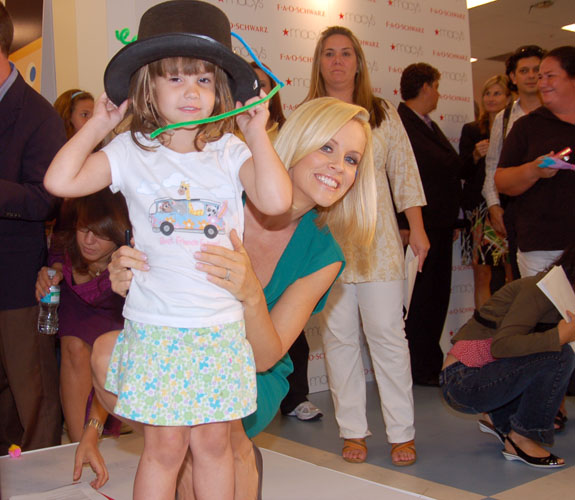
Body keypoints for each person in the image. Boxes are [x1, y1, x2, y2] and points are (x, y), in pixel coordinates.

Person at [44, 1, 293, 498]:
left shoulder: (230, 151)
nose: (191, 91)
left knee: (214, 447)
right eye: (175, 78)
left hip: (219, 330)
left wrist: (256, 134)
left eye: (203, 80)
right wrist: (99, 124)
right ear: (147, 87)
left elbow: (276, 200)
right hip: (156, 329)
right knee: (163, 451)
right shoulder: (132, 152)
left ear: (220, 89)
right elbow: (60, 179)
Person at [74, 96, 377, 499]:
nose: (339, 167)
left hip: (251, 370)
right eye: (327, 147)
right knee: (107, 353)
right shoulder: (229, 183)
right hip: (177, 349)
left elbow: (267, 357)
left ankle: (225, 460)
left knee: (216, 428)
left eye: (352, 159)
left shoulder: (324, 254)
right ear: (299, 140)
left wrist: (251, 292)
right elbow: (143, 334)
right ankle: (185, 460)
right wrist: (129, 270)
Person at [305, 26, 428, 466]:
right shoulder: (310, 114)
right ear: (319, 63)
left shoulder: (382, 113)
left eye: (345, 53)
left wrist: (418, 228)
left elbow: (404, 171)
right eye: (328, 54)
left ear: (358, 61)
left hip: (379, 244)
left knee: (389, 338)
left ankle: (402, 433)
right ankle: (353, 430)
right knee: (338, 339)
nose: (337, 61)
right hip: (325, 243)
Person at [440, 244, 575, 468]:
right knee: (561, 353)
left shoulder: (559, 294)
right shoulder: (540, 290)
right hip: (461, 381)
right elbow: (501, 347)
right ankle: (520, 437)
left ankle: (500, 417)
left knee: (557, 351)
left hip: (483, 378)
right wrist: (558, 336)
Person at [0, 3, 65, 455]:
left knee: (32, 395)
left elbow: (46, 198)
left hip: (18, 283)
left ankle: (44, 483)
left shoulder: (38, 115)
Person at [35, 190, 130, 442]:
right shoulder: (69, 227)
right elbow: (56, 251)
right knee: (74, 349)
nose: (88, 240)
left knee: (107, 355)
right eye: (83, 229)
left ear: (119, 233)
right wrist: (52, 271)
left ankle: (101, 427)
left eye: (99, 234)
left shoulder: (128, 263)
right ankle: (79, 445)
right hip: (75, 304)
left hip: (114, 307)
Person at [398, 62, 464, 387]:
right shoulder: (401, 123)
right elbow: (398, 175)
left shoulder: (428, 125)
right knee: (420, 299)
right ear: (425, 87)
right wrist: (405, 223)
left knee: (436, 296)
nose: (438, 93)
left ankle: (428, 362)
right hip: (418, 227)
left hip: (438, 224)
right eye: (436, 86)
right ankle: (418, 367)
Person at [494, 46, 575, 278]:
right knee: (546, 313)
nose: (542, 83)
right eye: (541, 77)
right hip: (544, 248)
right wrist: (535, 170)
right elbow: (501, 181)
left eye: (550, 76)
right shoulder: (528, 127)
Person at [482, 45, 545, 279]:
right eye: (524, 70)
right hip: (517, 210)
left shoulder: (559, 112)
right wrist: (493, 205)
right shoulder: (504, 117)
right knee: (522, 280)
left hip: (556, 208)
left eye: (537, 70)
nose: (531, 76)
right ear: (513, 77)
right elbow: (493, 164)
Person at [459, 75, 512, 309]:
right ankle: (481, 337)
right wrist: (476, 156)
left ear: (509, 98)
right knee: (482, 275)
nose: (491, 98)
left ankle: (512, 331)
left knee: (513, 272)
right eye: (487, 93)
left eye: (497, 93)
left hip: (508, 207)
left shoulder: (517, 129)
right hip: (479, 211)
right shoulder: (471, 130)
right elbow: (462, 171)